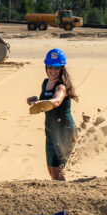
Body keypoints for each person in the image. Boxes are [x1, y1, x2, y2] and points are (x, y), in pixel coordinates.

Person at [26, 48, 78, 181]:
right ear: (46, 66)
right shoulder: (45, 82)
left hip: (64, 130)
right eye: (50, 67)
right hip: (50, 130)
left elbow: (56, 101)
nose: (53, 70)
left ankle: (65, 197)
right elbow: (45, 98)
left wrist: (44, 101)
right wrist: (35, 99)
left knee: (57, 171)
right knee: (51, 170)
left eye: (56, 68)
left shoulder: (62, 86)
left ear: (62, 68)